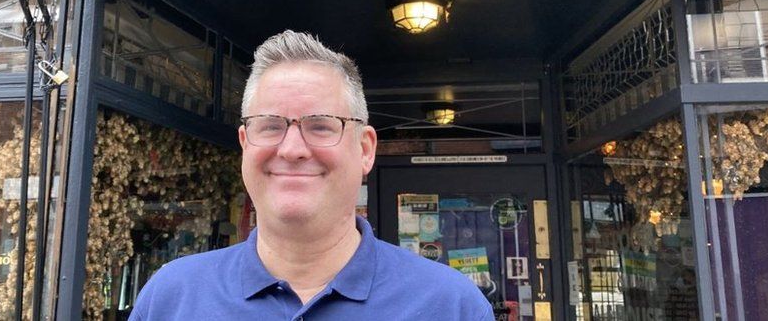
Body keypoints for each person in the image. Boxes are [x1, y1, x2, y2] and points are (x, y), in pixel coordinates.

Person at [131, 30, 495, 320]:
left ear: (365, 149)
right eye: (270, 125)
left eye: (320, 126)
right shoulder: (170, 298)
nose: (291, 149)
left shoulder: (451, 306)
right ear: (245, 143)